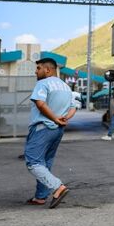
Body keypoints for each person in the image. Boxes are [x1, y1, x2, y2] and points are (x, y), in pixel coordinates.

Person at [25, 58, 77, 208]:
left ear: (48, 70)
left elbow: (40, 103)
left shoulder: (43, 83)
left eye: (38, 68)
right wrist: (63, 118)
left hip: (43, 128)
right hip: (58, 130)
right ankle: (40, 197)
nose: (36, 71)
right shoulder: (66, 87)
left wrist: (54, 118)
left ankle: (58, 187)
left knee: (33, 162)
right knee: (46, 163)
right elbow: (73, 107)